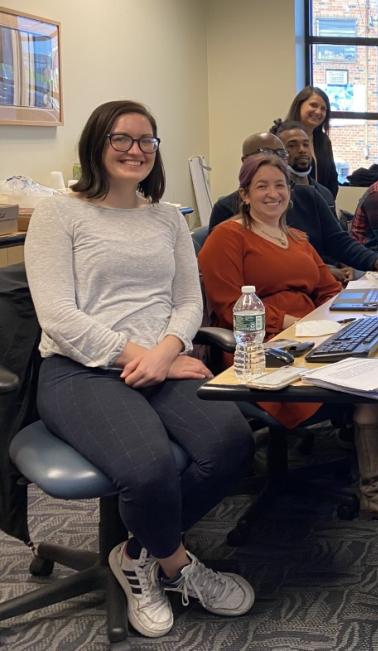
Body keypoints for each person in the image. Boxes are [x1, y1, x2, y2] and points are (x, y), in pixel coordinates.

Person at [24, 100, 255, 639]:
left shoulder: (167, 218)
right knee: (148, 465)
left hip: (164, 362)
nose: (135, 150)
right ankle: (175, 564)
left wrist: (169, 349)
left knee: (232, 442)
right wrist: (142, 356)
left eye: (146, 140)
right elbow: (57, 315)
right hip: (79, 371)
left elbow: (187, 301)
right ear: (96, 145)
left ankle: (134, 553)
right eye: (121, 139)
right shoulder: (60, 214)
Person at [198, 154, 378, 527]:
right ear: (244, 195)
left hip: (310, 335)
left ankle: (373, 488)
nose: (272, 194)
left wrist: (348, 320)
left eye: (280, 185)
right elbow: (229, 309)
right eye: (262, 186)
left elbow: (328, 290)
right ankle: (374, 493)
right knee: (364, 388)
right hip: (257, 350)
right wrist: (290, 321)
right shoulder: (227, 237)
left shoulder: (297, 238)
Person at [208, 132, 378, 280]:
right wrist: (321, 273)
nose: (273, 194)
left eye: (281, 153)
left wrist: (376, 261)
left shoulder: (305, 209)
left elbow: (338, 242)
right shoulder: (226, 218)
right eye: (265, 153)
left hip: (313, 296)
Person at [283, 86, 338, 198]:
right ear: (299, 105)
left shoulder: (323, 140)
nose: (318, 112)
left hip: (321, 207)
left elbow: (332, 179)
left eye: (323, 109)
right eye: (313, 105)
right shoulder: (281, 137)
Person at [275, 121, 335, 211]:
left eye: (306, 144)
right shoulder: (275, 195)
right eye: (292, 145)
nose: (302, 150)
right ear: (279, 153)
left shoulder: (325, 194)